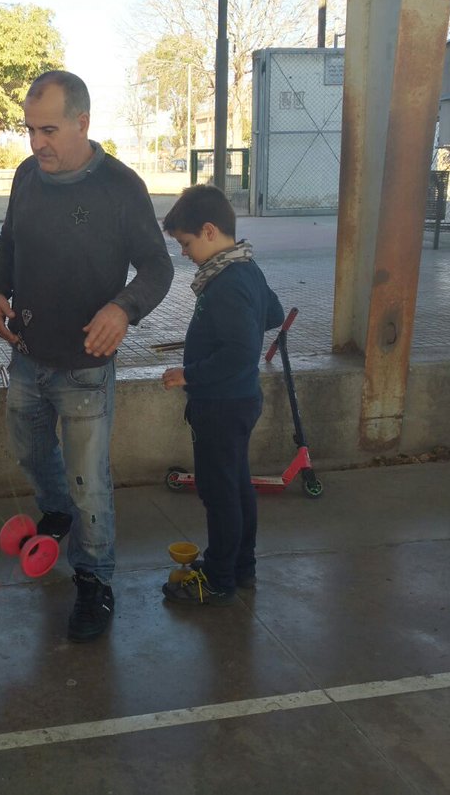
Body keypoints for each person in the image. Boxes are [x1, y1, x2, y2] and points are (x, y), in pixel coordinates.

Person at [0, 70, 173, 642]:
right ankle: (56, 511)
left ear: (82, 123)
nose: (35, 143)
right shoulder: (26, 177)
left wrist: (123, 309)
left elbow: (158, 268)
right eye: (29, 130)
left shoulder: (120, 187)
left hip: (86, 368)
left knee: (90, 480)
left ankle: (94, 581)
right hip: (27, 355)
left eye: (48, 129)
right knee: (30, 450)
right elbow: (8, 242)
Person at [159, 184, 284, 606]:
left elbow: (240, 354)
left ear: (209, 231)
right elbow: (274, 312)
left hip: (221, 405)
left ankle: (218, 577)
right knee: (236, 487)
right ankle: (240, 567)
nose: (184, 253)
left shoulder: (226, 282)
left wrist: (188, 375)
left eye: (186, 243)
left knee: (219, 494)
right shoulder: (246, 267)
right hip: (239, 402)